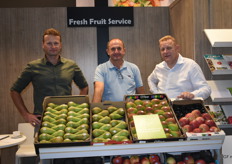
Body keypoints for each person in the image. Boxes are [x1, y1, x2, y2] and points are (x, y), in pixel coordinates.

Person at [10, 28, 89, 126]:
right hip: (42, 118)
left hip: (67, 118)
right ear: (43, 45)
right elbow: (14, 91)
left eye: (56, 43)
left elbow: (84, 87)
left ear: (60, 45)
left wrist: (78, 108)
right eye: (49, 43)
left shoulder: (71, 65)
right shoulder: (32, 66)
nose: (53, 46)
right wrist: (26, 115)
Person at [147, 35, 211, 100]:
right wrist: (156, 93)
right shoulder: (159, 67)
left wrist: (193, 94)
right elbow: (150, 79)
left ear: (177, 48)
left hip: (184, 107)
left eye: (169, 48)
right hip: (163, 108)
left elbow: (206, 89)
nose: (165, 52)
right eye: (162, 49)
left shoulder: (190, 65)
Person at [93, 38, 145, 102]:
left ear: (124, 50)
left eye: (119, 48)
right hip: (109, 110)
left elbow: (141, 93)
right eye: (113, 49)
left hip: (130, 109)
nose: (116, 51)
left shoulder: (134, 68)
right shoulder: (101, 69)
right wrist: (94, 109)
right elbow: (98, 90)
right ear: (108, 52)